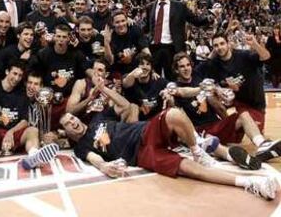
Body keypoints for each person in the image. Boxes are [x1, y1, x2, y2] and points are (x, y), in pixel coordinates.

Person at [59, 92, 279, 200]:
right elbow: (95, 160)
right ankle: (249, 182)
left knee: (174, 114)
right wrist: (106, 167)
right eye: (68, 123)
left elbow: (125, 105)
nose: (74, 122)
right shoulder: (82, 146)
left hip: (146, 130)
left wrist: (102, 89)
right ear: (67, 132)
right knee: (189, 170)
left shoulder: (98, 119)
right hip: (142, 153)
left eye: (73, 118)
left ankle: (198, 148)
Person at [172, 52, 279, 168]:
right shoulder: (175, 88)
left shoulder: (198, 76)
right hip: (200, 130)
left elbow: (209, 60)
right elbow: (177, 113)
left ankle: (262, 145)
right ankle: (235, 158)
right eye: (182, 66)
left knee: (243, 115)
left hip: (216, 125)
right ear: (176, 70)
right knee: (210, 142)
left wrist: (229, 123)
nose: (186, 69)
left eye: (188, 65)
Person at [144, 0, 218, 80]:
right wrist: (131, 22)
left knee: (173, 79)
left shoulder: (180, 6)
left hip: (172, 48)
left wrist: (210, 17)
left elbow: (195, 20)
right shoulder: (150, 7)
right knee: (153, 78)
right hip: (154, 48)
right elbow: (146, 27)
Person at [203, 32, 270, 133]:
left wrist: (255, 44)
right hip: (236, 101)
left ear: (228, 44)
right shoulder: (214, 63)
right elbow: (208, 80)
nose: (219, 47)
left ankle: (230, 126)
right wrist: (219, 89)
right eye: (216, 45)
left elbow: (266, 57)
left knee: (254, 129)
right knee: (209, 96)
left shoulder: (244, 55)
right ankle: (224, 122)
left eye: (222, 44)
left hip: (255, 102)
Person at [29, 24, 86, 130]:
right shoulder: (43, 54)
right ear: (54, 37)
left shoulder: (76, 55)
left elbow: (82, 77)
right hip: (48, 99)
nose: (61, 40)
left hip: (69, 99)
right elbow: (37, 76)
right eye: (58, 36)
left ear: (69, 38)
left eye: (64, 37)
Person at [104, 10, 149, 75]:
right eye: (117, 22)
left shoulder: (135, 30)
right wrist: (106, 43)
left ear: (127, 21)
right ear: (113, 23)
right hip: (118, 71)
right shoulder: (110, 35)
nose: (121, 24)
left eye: (123, 21)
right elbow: (110, 61)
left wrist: (152, 71)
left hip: (136, 69)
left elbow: (146, 52)